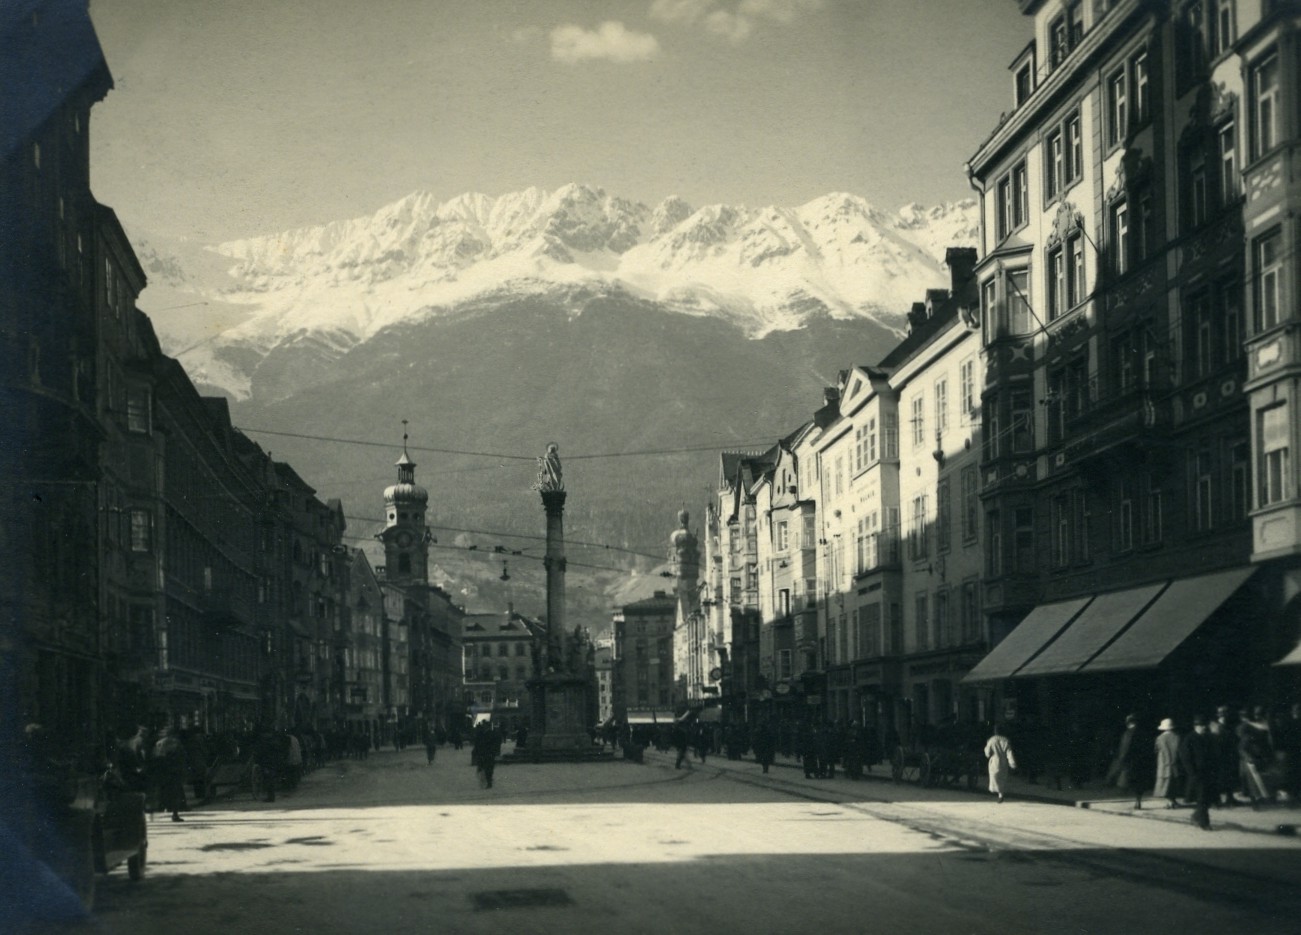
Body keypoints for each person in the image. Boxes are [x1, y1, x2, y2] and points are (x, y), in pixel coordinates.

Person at [1106, 714, 1152, 810]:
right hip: (1141, 761)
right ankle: (1138, 801)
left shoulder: (1128, 733)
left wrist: (1121, 760)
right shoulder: (1144, 733)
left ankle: (1128, 799)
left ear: (1128, 722)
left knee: (1127, 780)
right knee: (1139, 783)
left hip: (1130, 762)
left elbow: (1125, 749)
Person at [1178, 715, 1214, 830]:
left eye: (1205, 725)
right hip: (1197, 774)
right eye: (1201, 725)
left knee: (1207, 799)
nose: (1204, 727)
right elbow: (1185, 758)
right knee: (1202, 798)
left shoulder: (1208, 737)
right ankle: (1204, 823)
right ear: (1196, 726)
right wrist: (1192, 773)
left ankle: (1196, 816)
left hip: (1208, 772)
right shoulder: (1189, 739)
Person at [1238, 706, 1274, 808]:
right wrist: (1248, 756)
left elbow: (1268, 742)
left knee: (1261, 779)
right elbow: (1242, 746)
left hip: (1261, 755)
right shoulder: (1249, 728)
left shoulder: (1264, 725)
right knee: (1252, 780)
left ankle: (1264, 799)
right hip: (1251, 756)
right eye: (1257, 714)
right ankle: (1255, 801)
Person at [152, 726, 188, 822]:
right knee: (175, 792)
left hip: (163, 771)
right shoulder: (176, 743)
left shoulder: (158, 743)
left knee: (163, 791)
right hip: (174, 771)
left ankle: (163, 808)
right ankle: (175, 814)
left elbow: (155, 757)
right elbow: (182, 756)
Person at [984, 723, 1017, 804]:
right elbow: (1009, 753)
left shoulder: (991, 740)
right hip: (1003, 762)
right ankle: (1001, 795)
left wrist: (986, 749)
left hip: (994, 761)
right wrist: (1012, 763)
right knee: (1002, 778)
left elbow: (987, 753)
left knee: (994, 777)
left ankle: (997, 792)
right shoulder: (1005, 741)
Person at [1153, 718, 1182, 809]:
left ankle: (1170, 802)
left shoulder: (1160, 738)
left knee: (1165, 784)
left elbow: (1156, 750)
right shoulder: (1177, 737)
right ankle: (1173, 800)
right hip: (1175, 764)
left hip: (1164, 764)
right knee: (1173, 783)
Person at [472, 723, 501, 789]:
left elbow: (495, 744)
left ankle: (489, 782)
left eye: (485, 726)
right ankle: (485, 781)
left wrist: (494, 752)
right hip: (483, 754)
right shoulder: (481, 734)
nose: (484, 727)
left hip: (489, 754)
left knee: (488, 768)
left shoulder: (491, 734)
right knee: (482, 768)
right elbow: (477, 743)